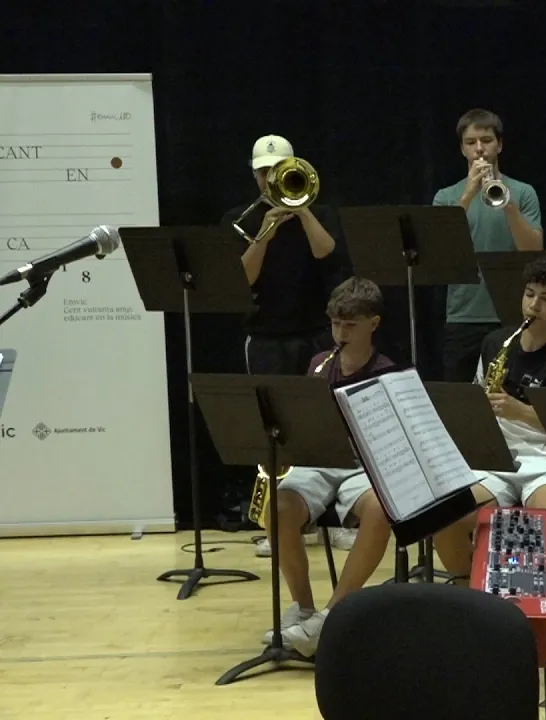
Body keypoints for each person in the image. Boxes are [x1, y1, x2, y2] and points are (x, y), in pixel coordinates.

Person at [433, 254, 546, 578]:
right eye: (529, 294)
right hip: (497, 456)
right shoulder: (496, 343)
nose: (534, 306)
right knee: (443, 515)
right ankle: (470, 593)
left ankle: (535, 603)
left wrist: (522, 412)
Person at [262, 277, 397, 657]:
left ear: (374, 323)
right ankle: (303, 608)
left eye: (351, 325)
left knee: (379, 510)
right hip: (320, 461)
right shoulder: (319, 364)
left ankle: (332, 617)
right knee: (279, 505)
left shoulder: (387, 371)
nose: (341, 332)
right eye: (336, 324)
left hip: (362, 467)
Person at [222, 134, 351, 375]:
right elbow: (242, 280)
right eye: (264, 172)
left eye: (277, 170)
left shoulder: (320, 214)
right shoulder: (238, 219)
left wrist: (301, 209)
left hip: (315, 332)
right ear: (254, 175)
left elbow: (329, 257)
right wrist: (263, 235)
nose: (271, 179)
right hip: (264, 337)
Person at [433, 108, 544, 383]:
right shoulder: (446, 196)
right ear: (462, 149)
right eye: (471, 143)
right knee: (460, 403)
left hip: (511, 313)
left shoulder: (523, 192)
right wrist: (469, 192)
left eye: (486, 140)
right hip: (463, 316)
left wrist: (508, 204)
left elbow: (532, 251)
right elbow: (440, 252)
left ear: (500, 145)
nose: (479, 149)